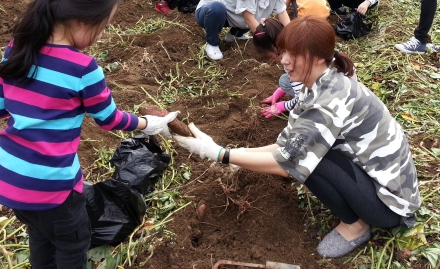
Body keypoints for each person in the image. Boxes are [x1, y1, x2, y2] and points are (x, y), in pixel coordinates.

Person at [172, 16, 421, 259]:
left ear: (319, 57)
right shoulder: (320, 83)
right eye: (283, 52)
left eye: (295, 54)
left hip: (389, 205)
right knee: (306, 152)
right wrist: (231, 153)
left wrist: (217, 154)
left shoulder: (327, 101)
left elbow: (286, 162)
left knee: (310, 160)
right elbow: (287, 143)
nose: (284, 60)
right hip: (374, 181)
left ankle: (355, 225)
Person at [0, 0, 181, 268]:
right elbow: (109, 119)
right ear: (81, 21)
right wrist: (148, 124)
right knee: (73, 245)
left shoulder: (16, 48)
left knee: (41, 236)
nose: (100, 35)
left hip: (9, 179)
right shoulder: (82, 68)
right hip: (52, 186)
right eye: (102, 27)